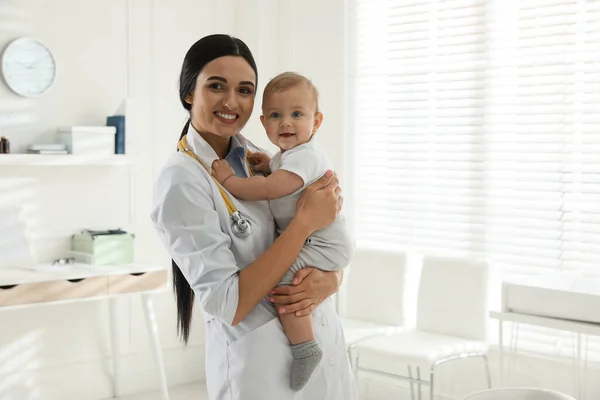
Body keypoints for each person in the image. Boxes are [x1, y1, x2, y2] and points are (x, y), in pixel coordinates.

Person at [150, 34, 357, 400]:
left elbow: (326, 236)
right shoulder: (181, 180)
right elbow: (228, 303)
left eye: (244, 90)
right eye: (216, 86)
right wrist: (305, 223)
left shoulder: (262, 158)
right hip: (261, 370)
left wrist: (332, 279)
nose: (231, 102)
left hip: (323, 346)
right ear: (188, 93)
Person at [211, 71, 353, 391]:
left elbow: (274, 188)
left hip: (324, 241)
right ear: (264, 123)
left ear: (316, 122)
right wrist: (267, 164)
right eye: (276, 115)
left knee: (286, 280)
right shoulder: (288, 156)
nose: (285, 122)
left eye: (296, 114)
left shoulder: (306, 154)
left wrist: (230, 182)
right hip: (319, 240)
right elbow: (279, 175)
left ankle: (305, 349)